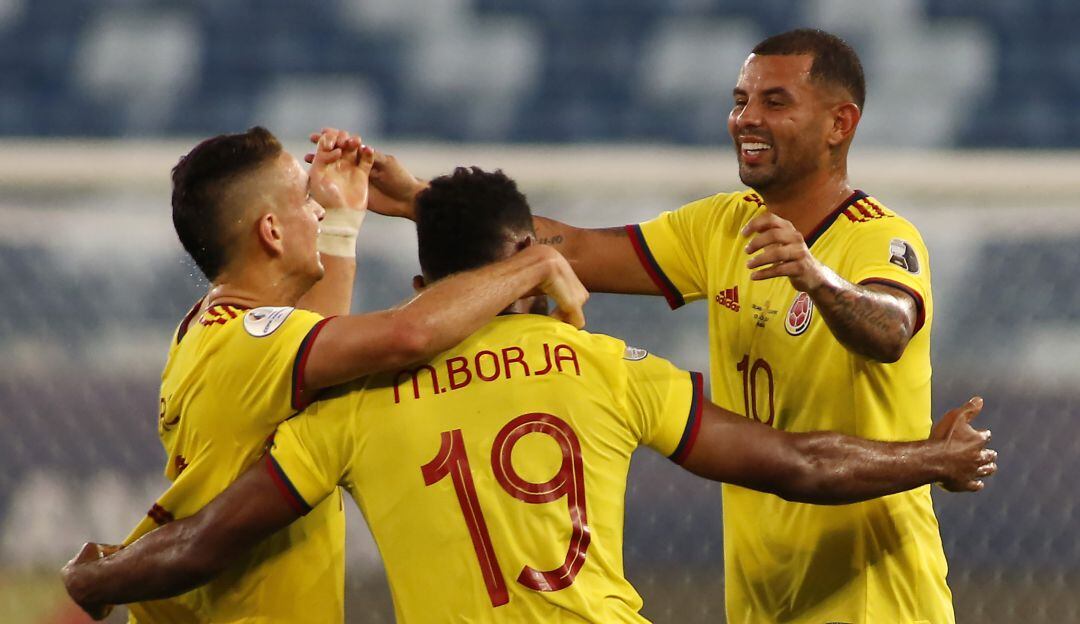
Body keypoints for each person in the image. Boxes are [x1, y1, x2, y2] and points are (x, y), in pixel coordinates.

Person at [62, 168, 997, 623]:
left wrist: (99, 578)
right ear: (526, 266)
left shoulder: (351, 407)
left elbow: (203, 543)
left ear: (424, 283)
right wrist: (933, 457)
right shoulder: (608, 367)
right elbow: (800, 463)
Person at [353, 28, 961, 624]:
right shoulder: (723, 225)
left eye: (775, 102)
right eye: (741, 100)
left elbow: (890, 329)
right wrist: (423, 203)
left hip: (874, 596)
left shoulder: (880, 236)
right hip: (766, 594)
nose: (747, 118)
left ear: (839, 123)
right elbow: (576, 250)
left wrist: (816, 278)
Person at [101, 128, 588, 623]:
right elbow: (408, 334)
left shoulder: (210, 328)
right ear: (271, 231)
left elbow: (312, 340)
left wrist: (342, 221)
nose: (316, 210)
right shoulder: (253, 343)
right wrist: (534, 265)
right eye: (305, 199)